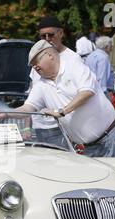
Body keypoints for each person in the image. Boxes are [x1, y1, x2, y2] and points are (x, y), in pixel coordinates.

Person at [10, 40, 115, 158]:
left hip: (112, 137)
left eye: (36, 62)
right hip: (88, 148)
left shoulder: (73, 65)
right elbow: (28, 107)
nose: (35, 67)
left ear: (49, 55)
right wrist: (5, 114)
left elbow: (87, 92)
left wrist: (62, 111)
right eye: (32, 65)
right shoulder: (41, 85)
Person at [28, 16, 83, 144]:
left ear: (61, 33)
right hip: (39, 126)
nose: (47, 39)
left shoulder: (73, 59)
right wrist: (27, 126)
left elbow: (83, 93)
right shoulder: (38, 60)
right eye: (43, 36)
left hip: (62, 127)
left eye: (51, 35)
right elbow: (32, 95)